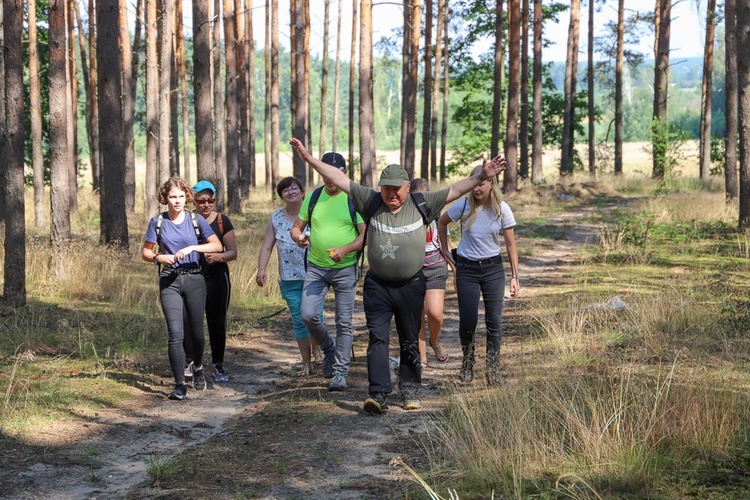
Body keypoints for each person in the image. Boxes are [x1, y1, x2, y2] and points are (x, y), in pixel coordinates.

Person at [289, 137, 506, 413]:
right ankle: (378, 394)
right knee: (377, 338)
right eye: (386, 190)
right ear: (380, 188)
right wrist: (309, 160)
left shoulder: (422, 203)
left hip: (412, 285)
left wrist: (480, 176)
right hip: (378, 286)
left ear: (407, 187)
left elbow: (456, 189)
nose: (391, 195)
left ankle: (410, 390)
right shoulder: (370, 201)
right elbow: (339, 179)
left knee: (408, 337)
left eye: (397, 190)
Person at [142, 177, 223, 401]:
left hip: (194, 279)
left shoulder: (196, 220)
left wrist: (192, 248)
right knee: (175, 334)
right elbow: (146, 252)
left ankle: (198, 366)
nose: (177, 201)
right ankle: (179, 385)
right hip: (169, 280)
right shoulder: (157, 221)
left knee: (196, 334)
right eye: (172, 197)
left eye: (180, 197)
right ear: (165, 198)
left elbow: (216, 245)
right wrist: (159, 257)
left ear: (186, 197)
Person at [290, 152, 366, 392]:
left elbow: (365, 235)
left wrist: (346, 249)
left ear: (344, 173)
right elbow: (296, 227)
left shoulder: (354, 198)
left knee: (344, 322)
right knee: (308, 314)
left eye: (336, 172)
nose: (330, 178)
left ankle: (340, 373)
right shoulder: (313, 197)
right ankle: (329, 347)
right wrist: (299, 238)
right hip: (316, 267)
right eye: (325, 172)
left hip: (345, 268)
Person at [438, 164, 519, 386]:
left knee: (494, 321)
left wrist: (515, 277)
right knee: (468, 321)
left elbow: (511, 245)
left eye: (481, 183)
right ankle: (467, 361)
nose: (476, 188)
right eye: (474, 182)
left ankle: (492, 370)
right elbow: (442, 222)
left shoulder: (502, 208)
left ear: (491, 184)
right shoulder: (463, 205)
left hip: (493, 269)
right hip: (467, 269)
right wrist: (448, 256)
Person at [256, 177, 322, 376]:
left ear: (303, 192)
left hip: (315, 275)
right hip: (289, 278)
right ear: (281, 196)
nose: (291, 192)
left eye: (295, 188)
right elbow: (267, 246)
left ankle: (318, 349)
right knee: (299, 319)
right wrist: (261, 269)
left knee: (314, 317)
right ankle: (305, 362)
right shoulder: (276, 217)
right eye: (285, 190)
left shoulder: (315, 214)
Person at [182, 180, 238, 383]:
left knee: (217, 322)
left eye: (210, 199)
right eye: (201, 200)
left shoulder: (223, 221)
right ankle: (189, 362)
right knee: (190, 321)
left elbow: (233, 252)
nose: (206, 204)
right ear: (194, 201)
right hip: (192, 276)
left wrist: (219, 257)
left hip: (217, 277)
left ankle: (218, 364)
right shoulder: (187, 220)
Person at [409, 178, 453, 369]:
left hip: (436, 265)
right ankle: (421, 354)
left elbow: (445, 243)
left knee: (434, 313)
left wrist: (453, 264)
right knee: (417, 314)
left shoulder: (437, 214)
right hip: (412, 268)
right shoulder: (406, 215)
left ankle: (434, 342)